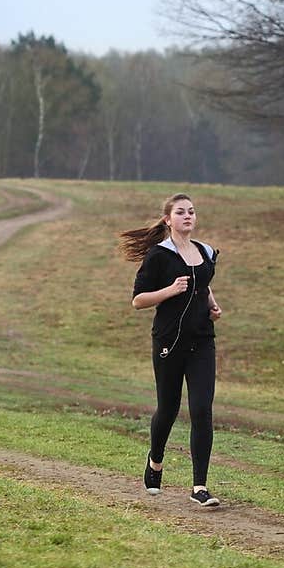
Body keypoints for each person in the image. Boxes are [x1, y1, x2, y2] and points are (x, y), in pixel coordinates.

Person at [119, 192, 222, 506]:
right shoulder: (159, 256)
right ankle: (156, 460)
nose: (188, 216)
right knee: (168, 409)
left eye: (191, 211)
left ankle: (199, 487)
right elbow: (138, 301)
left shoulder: (204, 251)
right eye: (181, 212)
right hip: (169, 342)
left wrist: (213, 305)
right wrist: (169, 290)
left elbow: (202, 284)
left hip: (202, 341)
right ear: (168, 220)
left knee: (202, 410)